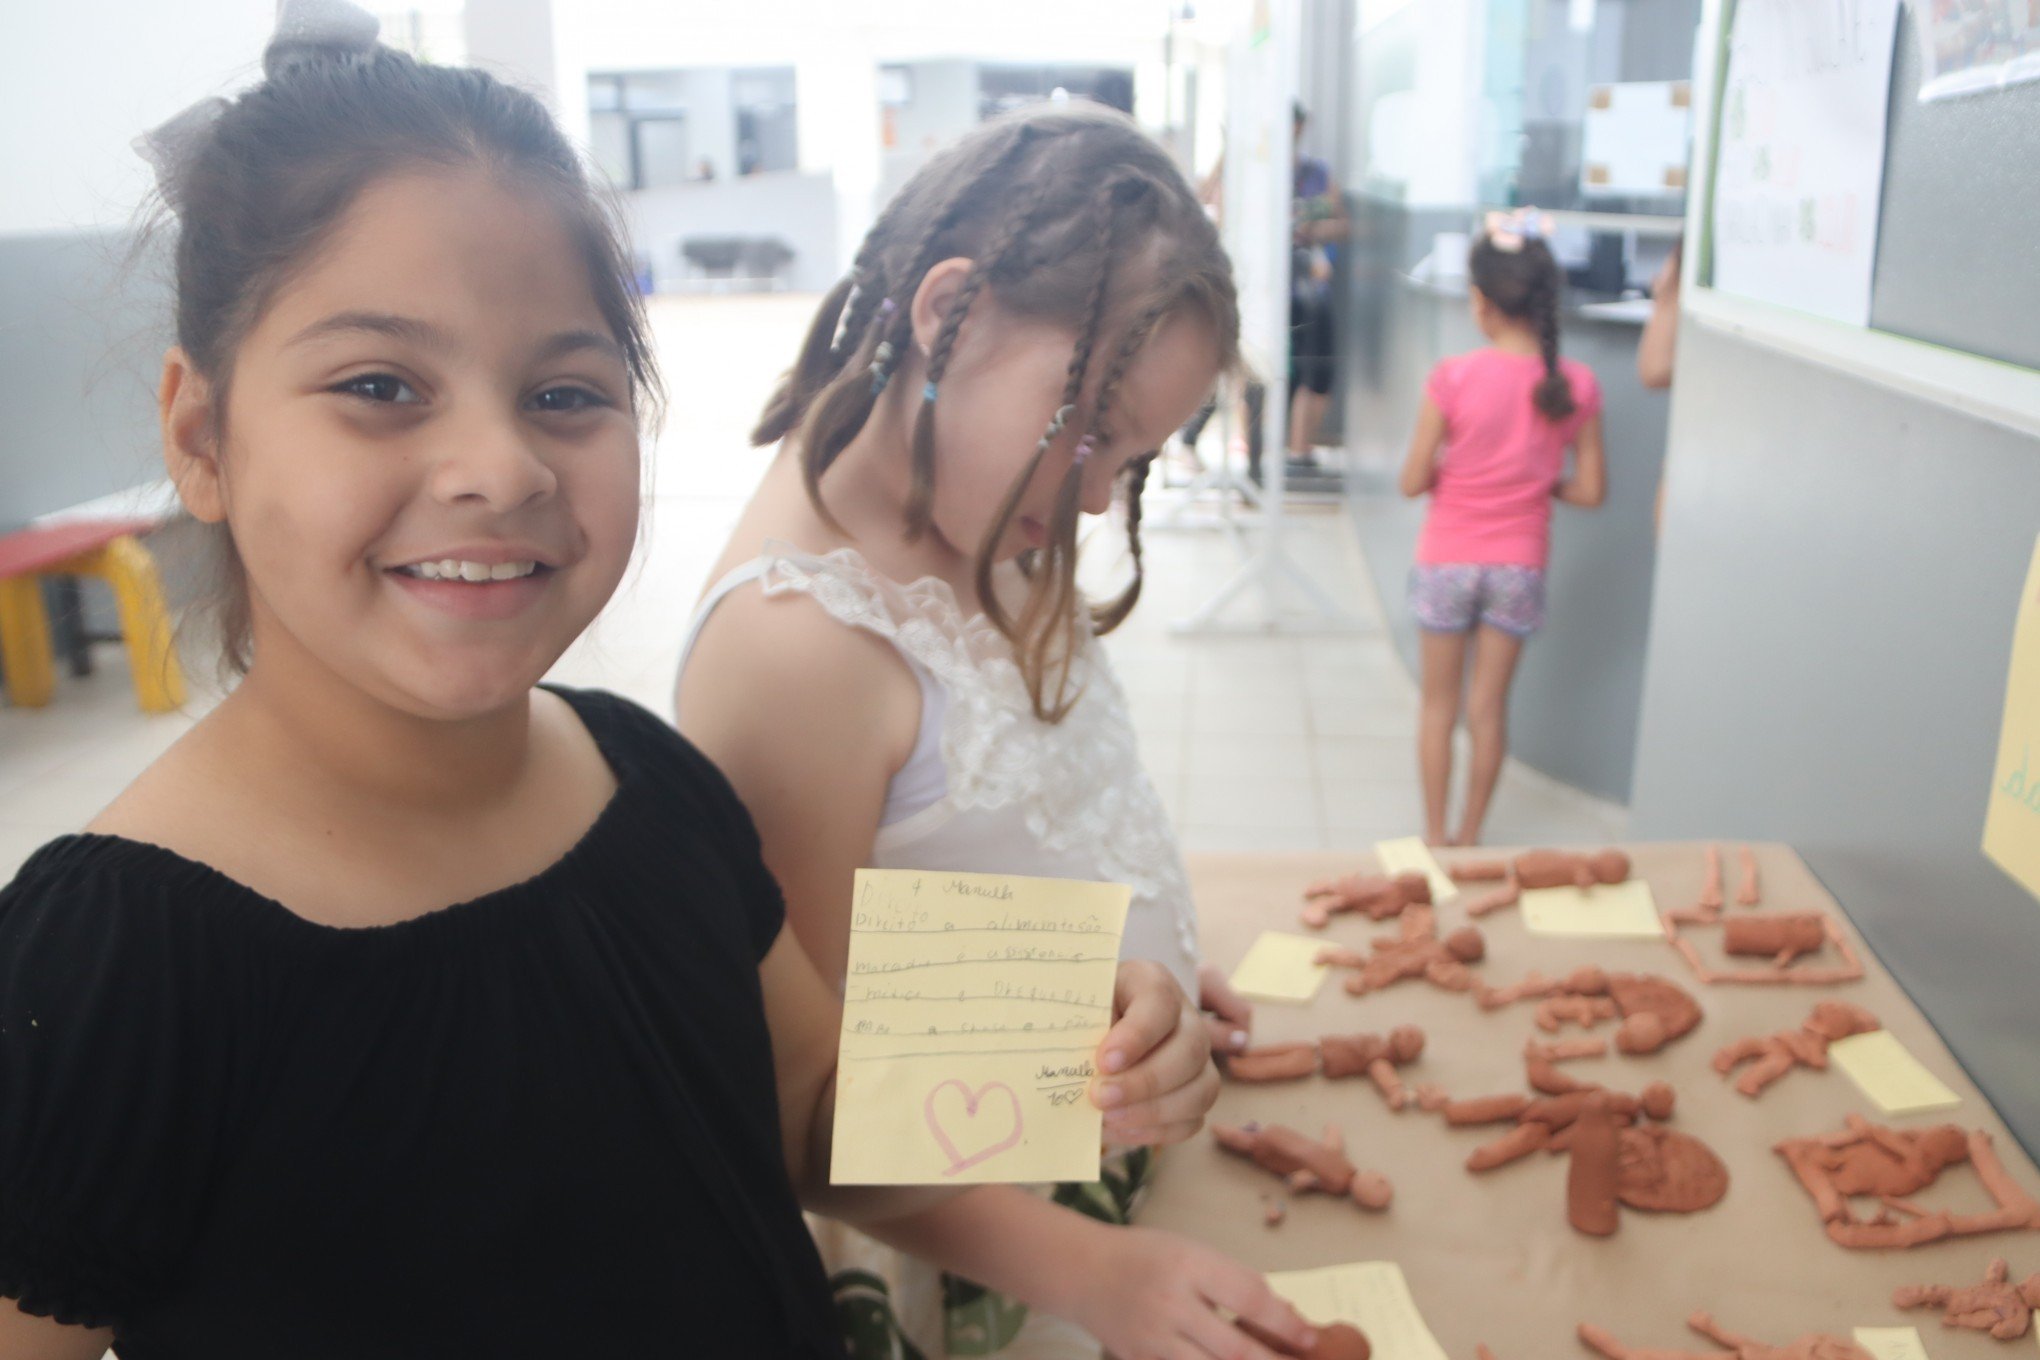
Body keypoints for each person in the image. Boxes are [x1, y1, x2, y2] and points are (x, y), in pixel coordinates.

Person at [0, 9, 1227, 1357]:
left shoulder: (649, 784)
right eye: (379, 386)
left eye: (566, 395)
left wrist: (1064, 1045)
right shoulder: (105, 969)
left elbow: (814, 1109)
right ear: (200, 436)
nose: (501, 468)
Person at [673, 105, 1308, 1360]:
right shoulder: (798, 648)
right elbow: (815, 1086)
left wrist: (1137, 978)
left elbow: (1040, 806)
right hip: (987, 1229)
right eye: (1087, 428)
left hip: (1091, 1108)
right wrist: (1098, 1279)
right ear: (946, 309)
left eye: (1131, 463)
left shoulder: (986, 502)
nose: (1094, 494)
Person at [1398, 210, 1606, 847]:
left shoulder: (1454, 377)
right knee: (1488, 712)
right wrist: (1538, 483)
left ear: (1481, 302)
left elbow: (1411, 480)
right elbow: (1592, 491)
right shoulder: (1575, 384)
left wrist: (1456, 478)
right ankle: (1470, 835)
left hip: (1448, 560)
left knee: (1439, 708)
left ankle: (1435, 840)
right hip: (1520, 566)